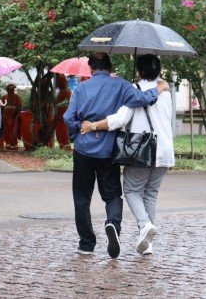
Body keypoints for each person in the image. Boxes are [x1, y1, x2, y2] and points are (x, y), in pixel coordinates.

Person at [63, 52, 169, 258]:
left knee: (82, 198)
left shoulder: (81, 88)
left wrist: (79, 131)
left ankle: (86, 244)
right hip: (107, 150)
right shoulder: (121, 85)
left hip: (83, 150)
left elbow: (68, 117)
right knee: (112, 195)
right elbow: (141, 99)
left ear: (91, 68)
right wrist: (158, 88)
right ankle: (112, 224)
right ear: (110, 68)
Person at [0, 84, 22, 150]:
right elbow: (2, 107)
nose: (11, 91)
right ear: (7, 90)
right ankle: (8, 144)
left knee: (14, 131)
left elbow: (20, 107)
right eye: (9, 89)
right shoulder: (4, 97)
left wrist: (15, 113)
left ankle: (14, 144)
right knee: (6, 131)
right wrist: (3, 115)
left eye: (12, 89)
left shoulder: (17, 97)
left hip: (14, 118)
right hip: (6, 118)